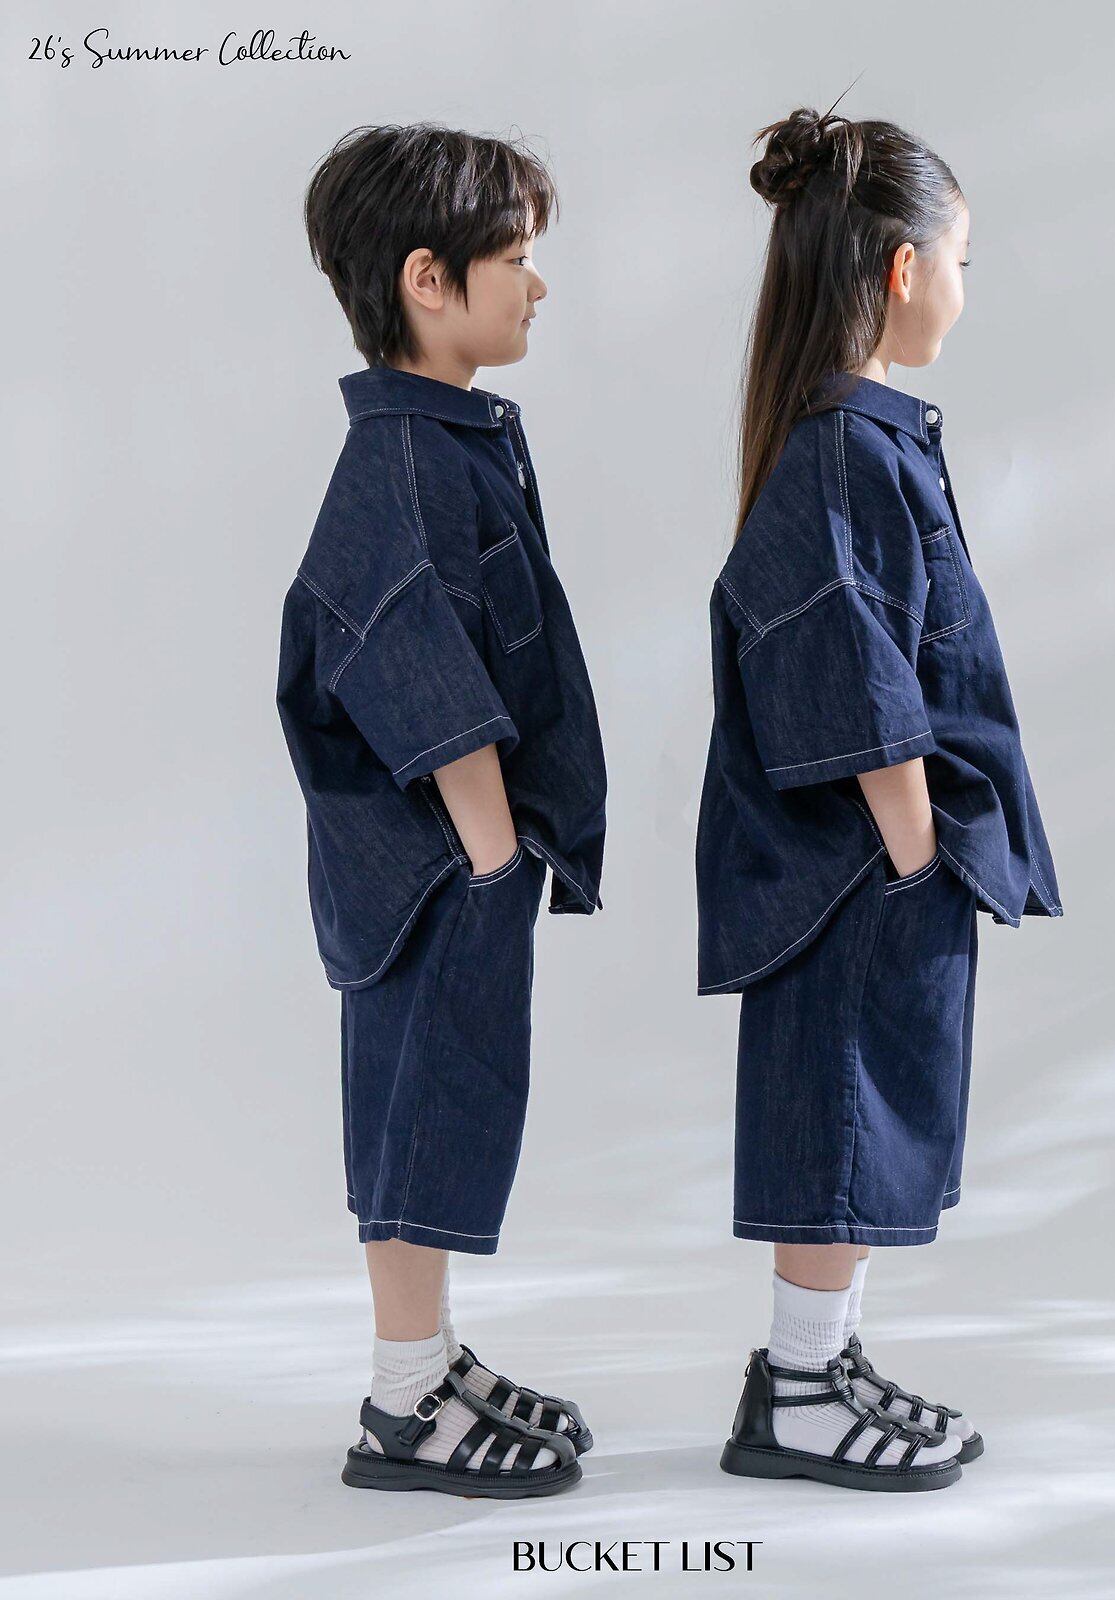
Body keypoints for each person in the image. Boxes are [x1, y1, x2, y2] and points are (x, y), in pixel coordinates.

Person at [696, 106, 1062, 1492]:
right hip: (853, 871)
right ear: (905, 269)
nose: (964, 287)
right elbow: (854, 667)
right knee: (839, 1124)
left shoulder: (860, 441)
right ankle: (799, 1391)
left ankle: (822, 1364)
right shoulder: (843, 449)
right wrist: (913, 851)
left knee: (863, 1121)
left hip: (872, 868)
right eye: (961, 258)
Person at [276, 122, 607, 1497]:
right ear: (429, 279)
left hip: (448, 865)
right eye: (516, 259)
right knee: (421, 1117)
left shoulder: (443, 443)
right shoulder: (403, 459)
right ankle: (404, 1399)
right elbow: (409, 654)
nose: (538, 285)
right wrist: (487, 849)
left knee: (445, 1109)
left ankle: (431, 1360)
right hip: (429, 871)